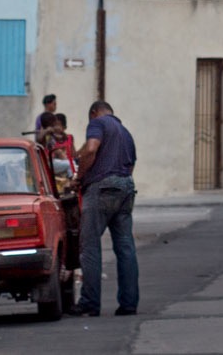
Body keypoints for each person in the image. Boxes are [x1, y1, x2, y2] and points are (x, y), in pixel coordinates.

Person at [73, 100, 139, 316]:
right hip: (126, 187)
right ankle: (129, 303)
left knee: (89, 246)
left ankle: (89, 303)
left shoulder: (97, 123)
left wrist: (79, 177)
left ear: (94, 113)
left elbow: (91, 149)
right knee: (125, 246)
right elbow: (131, 164)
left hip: (101, 188)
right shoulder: (125, 132)